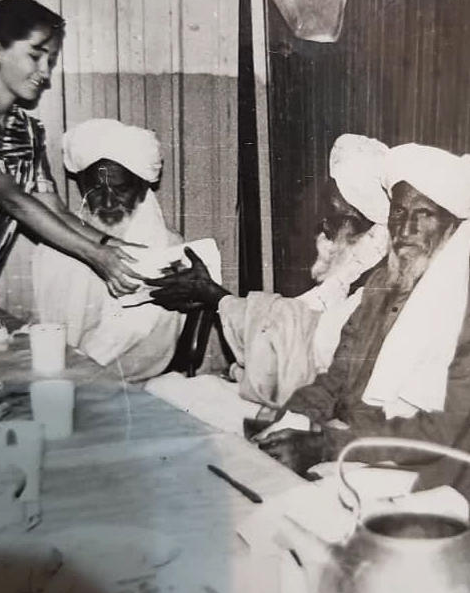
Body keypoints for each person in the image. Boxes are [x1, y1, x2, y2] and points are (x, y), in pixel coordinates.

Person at [257, 143, 470, 478]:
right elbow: (335, 381)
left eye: (424, 214)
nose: (406, 229)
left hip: (425, 472)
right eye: (399, 213)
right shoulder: (380, 285)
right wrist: (294, 416)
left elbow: (439, 433)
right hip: (353, 446)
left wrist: (326, 447)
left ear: (453, 226)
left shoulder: (461, 309)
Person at [147, 134, 390, 411]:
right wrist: (214, 297)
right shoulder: (356, 265)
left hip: (309, 404)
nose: (324, 222)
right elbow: (295, 317)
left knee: (166, 395)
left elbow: (302, 342)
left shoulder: (377, 282)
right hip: (290, 387)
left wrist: (215, 296)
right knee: (164, 390)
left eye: (334, 213)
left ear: (363, 219)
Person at [0, 0, 138, 299]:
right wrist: (96, 256)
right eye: (35, 56)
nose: (45, 72)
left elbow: (53, 209)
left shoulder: (27, 130)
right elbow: (13, 200)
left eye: (50, 61)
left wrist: (111, 246)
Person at [32, 119, 185, 381]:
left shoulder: (167, 247)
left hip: (131, 381)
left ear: (142, 187)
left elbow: (148, 343)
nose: (107, 201)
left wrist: (80, 372)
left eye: (120, 189)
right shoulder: (57, 245)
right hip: (62, 372)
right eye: (95, 189)